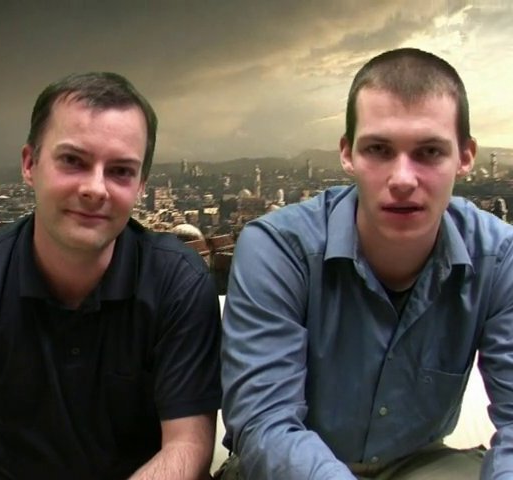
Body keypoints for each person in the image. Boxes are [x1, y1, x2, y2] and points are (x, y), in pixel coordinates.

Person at [0, 72, 222, 479]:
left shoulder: (178, 281)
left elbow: (189, 445)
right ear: (29, 164)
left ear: (142, 185)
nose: (95, 188)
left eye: (121, 170)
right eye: (73, 161)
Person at [219, 48, 513, 479]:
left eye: (429, 151)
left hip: (418, 462)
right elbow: (265, 422)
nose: (402, 179)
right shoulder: (279, 248)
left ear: (466, 157)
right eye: (378, 149)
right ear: (347, 154)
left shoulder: (499, 258)